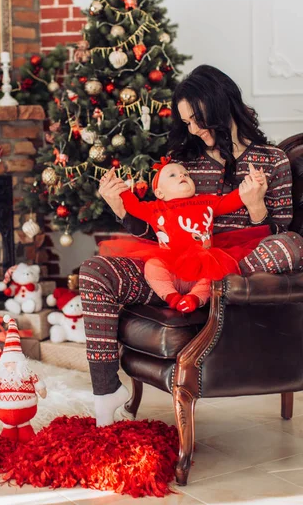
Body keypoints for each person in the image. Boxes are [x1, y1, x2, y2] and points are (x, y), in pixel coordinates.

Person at [80, 64, 303, 427]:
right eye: (187, 123)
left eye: (198, 119)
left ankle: (212, 288)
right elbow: (159, 233)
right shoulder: (183, 162)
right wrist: (123, 210)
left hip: (239, 262)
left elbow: (279, 230)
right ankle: (106, 390)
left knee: (293, 245)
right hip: (177, 267)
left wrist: (256, 207)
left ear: (222, 105)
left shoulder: (271, 159)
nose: (195, 130)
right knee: (96, 270)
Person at [101, 160, 269, 314]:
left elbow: (232, 200)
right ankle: (171, 296)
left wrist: (253, 182)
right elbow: (131, 205)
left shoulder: (206, 202)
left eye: (186, 174)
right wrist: (118, 187)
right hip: (171, 265)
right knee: (152, 266)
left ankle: (194, 298)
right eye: (173, 175)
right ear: (159, 192)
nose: (182, 175)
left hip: (202, 262)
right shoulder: (154, 208)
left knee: (213, 275)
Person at [0, 315, 47, 443]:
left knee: (26, 431)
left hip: (26, 411)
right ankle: (9, 440)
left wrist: (41, 390)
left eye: (13, 362)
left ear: (20, 363)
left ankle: (27, 439)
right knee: (8, 435)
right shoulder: (0, 376)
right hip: (6, 413)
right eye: (7, 363)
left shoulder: (27, 373)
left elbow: (37, 381)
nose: (9, 366)